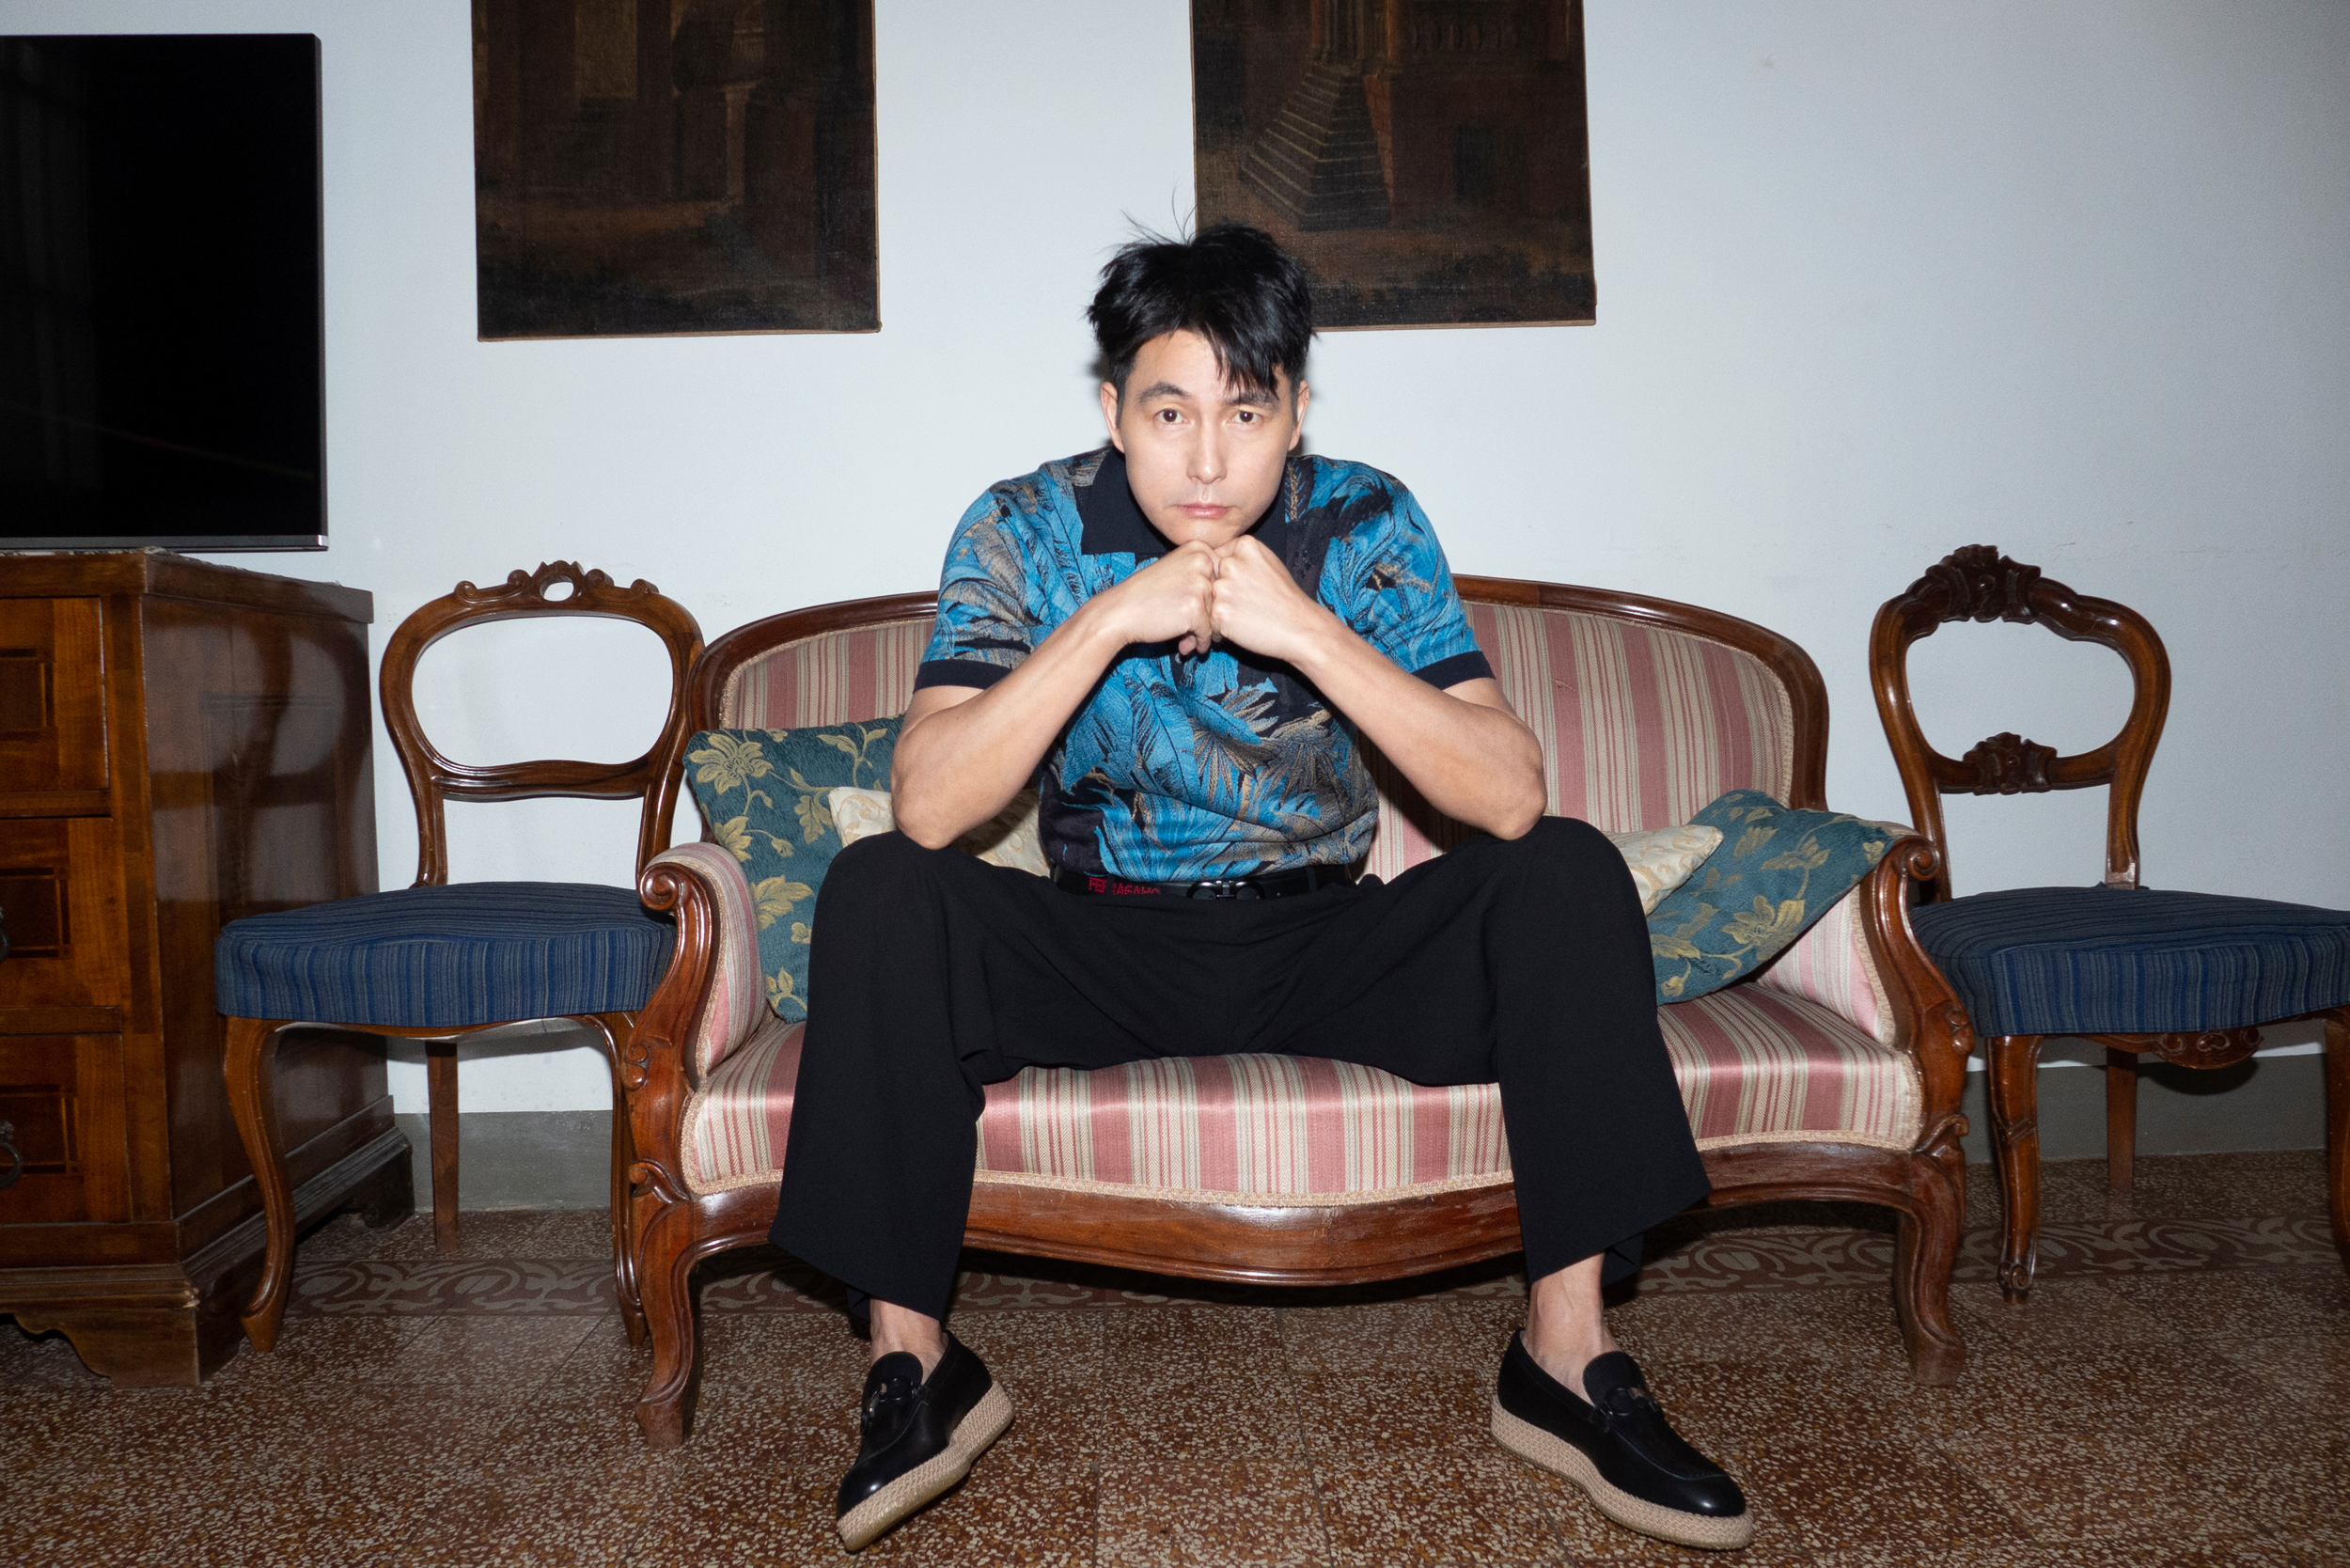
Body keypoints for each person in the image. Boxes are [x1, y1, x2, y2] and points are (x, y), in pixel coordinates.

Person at [771, 223, 1751, 1554]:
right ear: (1112, 412)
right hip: (1096, 945)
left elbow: (1507, 794)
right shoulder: (1022, 525)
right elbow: (933, 804)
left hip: (1327, 937)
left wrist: (1308, 631)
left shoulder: (1365, 517)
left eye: (1246, 412)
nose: (1208, 460)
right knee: (881, 886)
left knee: (1565, 867)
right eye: (1169, 412)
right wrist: (1109, 618)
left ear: (1295, 412)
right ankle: (914, 1362)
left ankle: (1567, 1358)